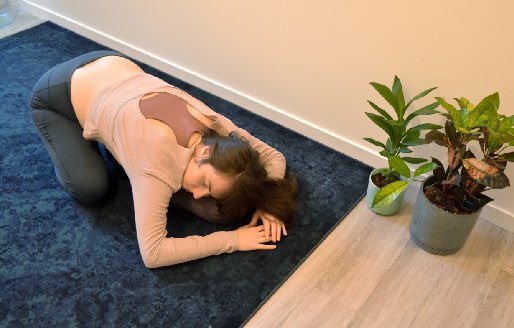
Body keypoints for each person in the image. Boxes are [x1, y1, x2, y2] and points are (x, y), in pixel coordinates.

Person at [29, 50, 297, 268]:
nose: (200, 194)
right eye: (204, 182)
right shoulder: (153, 165)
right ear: (204, 152)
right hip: (59, 94)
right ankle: (100, 146)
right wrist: (233, 240)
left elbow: (273, 155)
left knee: (218, 209)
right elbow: (153, 253)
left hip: (115, 67)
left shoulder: (217, 131)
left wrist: (268, 200)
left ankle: (122, 155)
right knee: (91, 188)